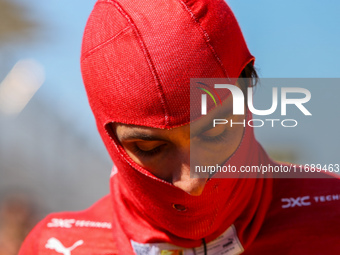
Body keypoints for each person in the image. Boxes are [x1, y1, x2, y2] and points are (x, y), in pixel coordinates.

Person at [19, 0, 340, 254]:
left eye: (215, 132)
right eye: (150, 148)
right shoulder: (58, 247)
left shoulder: (330, 220)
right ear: (111, 140)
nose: (192, 182)